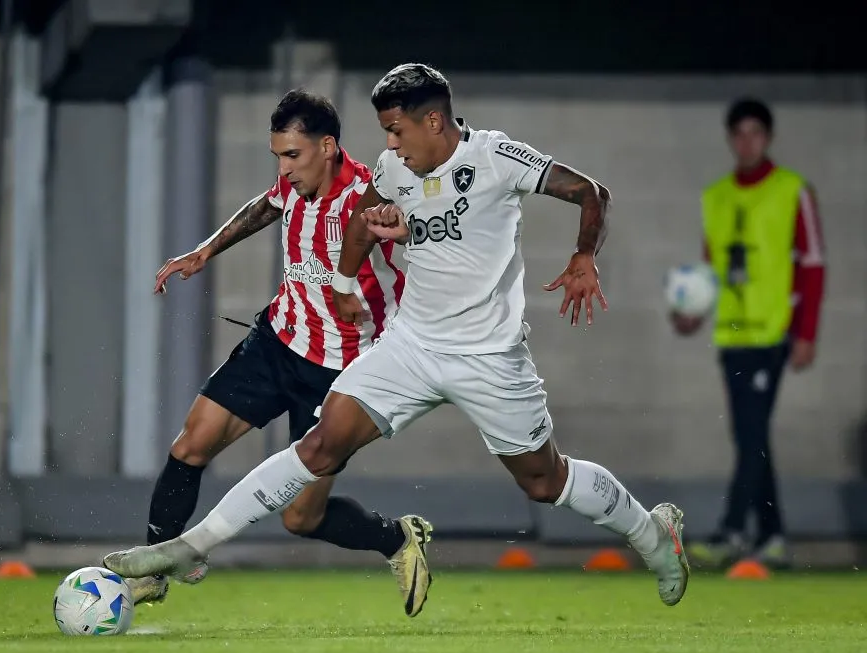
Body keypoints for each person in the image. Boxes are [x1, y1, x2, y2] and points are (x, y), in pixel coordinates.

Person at [104, 63, 690, 610]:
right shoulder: (392, 170)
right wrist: (342, 281)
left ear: (433, 121)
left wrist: (584, 255)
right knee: (318, 446)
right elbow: (362, 225)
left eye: (396, 130)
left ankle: (652, 533)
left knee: (544, 481)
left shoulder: (496, 157)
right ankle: (188, 548)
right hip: (408, 347)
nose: (389, 143)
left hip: (488, 356)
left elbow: (590, 191)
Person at [127, 88, 434, 613]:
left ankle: (398, 538)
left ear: (328, 147)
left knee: (301, 518)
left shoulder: (369, 198)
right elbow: (266, 206)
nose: (284, 169)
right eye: (278, 157)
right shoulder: (294, 185)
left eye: (292, 155)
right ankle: (154, 570)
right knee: (191, 444)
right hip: (278, 341)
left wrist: (409, 247)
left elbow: (419, 239)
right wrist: (205, 251)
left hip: (340, 373)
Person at [674, 98, 826, 568]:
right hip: (732, 336)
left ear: (768, 138)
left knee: (751, 435)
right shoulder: (716, 196)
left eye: (755, 133)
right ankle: (773, 536)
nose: (747, 142)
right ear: (730, 139)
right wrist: (692, 313)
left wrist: (806, 333)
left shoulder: (792, 190)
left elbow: (813, 265)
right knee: (750, 438)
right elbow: (710, 270)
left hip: (772, 334)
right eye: (739, 134)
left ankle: (733, 530)